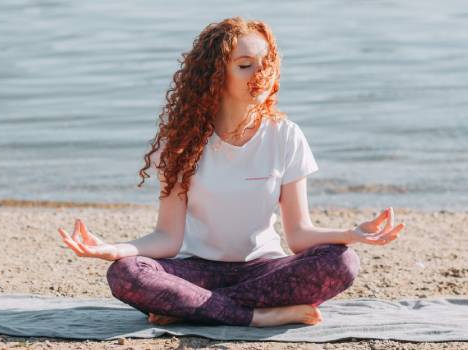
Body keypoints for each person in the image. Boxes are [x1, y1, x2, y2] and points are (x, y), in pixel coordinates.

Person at [58, 16, 406, 327]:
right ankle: (255, 316)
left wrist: (352, 233)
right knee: (127, 273)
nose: (262, 73)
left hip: (262, 271)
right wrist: (115, 249)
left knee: (342, 261)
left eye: (266, 62)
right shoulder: (181, 141)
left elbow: (299, 235)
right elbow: (167, 238)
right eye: (245, 65)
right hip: (196, 270)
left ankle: (191, 309)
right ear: (215, 76)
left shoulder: (286, 134)